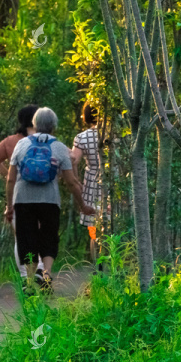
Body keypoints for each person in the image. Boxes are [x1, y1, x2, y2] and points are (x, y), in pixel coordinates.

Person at [5, 107, 95, 294]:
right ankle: (45, 274)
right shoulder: (60, 148)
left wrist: (9, 206)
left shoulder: (21, 145)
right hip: (49, 200)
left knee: (26, 239)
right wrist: (82, 205)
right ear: (54, 126)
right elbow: (71, 182)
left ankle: (29, 283)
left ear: (35, 124)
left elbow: (10, 178)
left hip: (23, 199)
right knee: (49, 238)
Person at [0, 104, 44, 280]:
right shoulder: (45, 140)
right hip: (43, 194)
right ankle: (40, 270)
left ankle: (27, 277)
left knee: (21, 237)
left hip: (19, 194)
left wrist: (9, 174)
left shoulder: (11, 142)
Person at [71, 102, 102, 270]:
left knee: (93, 229)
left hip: (91, 182)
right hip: (115, 179)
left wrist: (76, 181)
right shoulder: (117, 134)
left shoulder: (82, 137)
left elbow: (73, 160)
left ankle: (98, 267)